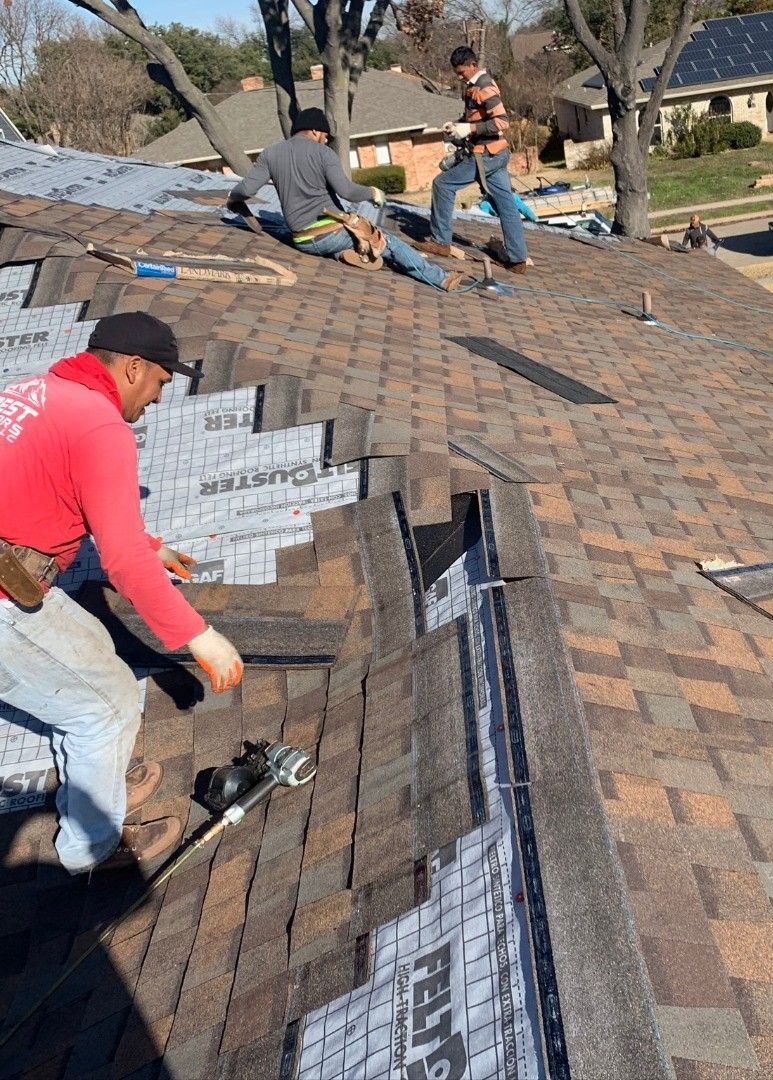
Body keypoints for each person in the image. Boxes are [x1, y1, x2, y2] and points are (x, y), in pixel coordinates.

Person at [0, 312, 245, 873]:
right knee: (105, 708)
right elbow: (122, 560)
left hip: (11, 576)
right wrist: (198, 636)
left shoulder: (36, 390)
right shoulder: (101, 426)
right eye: (161, 381)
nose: (158, 398)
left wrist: (148, 542)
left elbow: (52, 482)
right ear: (133, 367)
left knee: (96, 653)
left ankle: (95, 783)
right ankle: (91, 849)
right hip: (4, 598)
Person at [227, 108, 464, 292]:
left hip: (301, 239)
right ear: (315, 131)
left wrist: (233, 199)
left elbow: (247, 188)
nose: (325, 140)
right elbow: (347, 191)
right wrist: (372, 192)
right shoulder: (323, 154)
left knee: (354, 238)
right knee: (388, 242)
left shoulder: (270, 153)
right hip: (330, 233)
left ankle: (347, 254)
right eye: (324, 135)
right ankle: (440, 279)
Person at [417, 46, 529, 274]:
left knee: (443, 184)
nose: (459, 77)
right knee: (506, 204)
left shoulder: (484, 87)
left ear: (473, 65)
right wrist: (458, 126)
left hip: (486, 154)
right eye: (456, 73)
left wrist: (470, 128)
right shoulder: (473, 87)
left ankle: (440, 241)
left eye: (461, 72)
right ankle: (518, 260)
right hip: (496, 153)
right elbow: (477, 119)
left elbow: (502, 122)